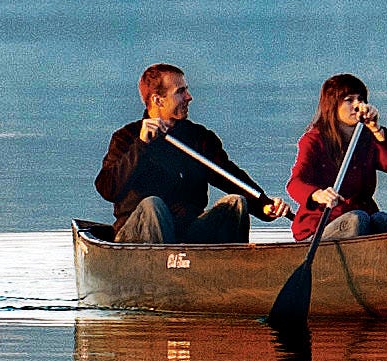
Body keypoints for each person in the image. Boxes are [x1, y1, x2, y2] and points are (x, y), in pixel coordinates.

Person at [95, 63, 271, 243]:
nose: (189, 97)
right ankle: (160, 267)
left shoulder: (199, 137)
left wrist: (264, 205)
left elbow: (229, 176)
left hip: (186, 234)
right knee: (152, 205)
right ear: (158, 100)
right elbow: (108, 189)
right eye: (180, 92)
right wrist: (141, 146)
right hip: (137, 238)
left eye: (186, 90)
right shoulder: (125, 138)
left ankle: (230, 267)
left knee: (236, 204)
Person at [286, 73, 387, 242]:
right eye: (349, 100)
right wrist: (318, 194)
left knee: (382, 220)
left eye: (361, 99)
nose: (358, 105)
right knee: (357, 220)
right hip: (321, 225)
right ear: (333, 105)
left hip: (363, 216)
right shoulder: (314, 140)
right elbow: (295, 183)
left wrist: (376, 129)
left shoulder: (368, 138)